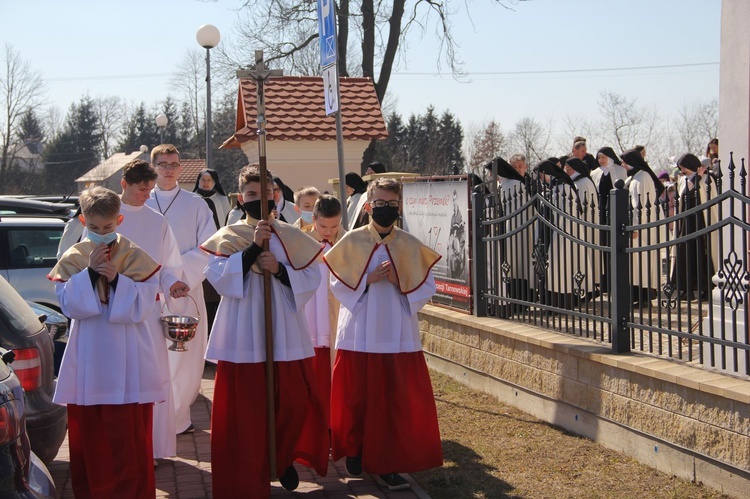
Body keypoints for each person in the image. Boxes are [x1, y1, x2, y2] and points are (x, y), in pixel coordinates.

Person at [200, 164, 328, 498]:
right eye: (252, 195)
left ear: (275, 196)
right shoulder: (227, 236)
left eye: (265, 194)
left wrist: (283, 271)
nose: (259, 200)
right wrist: (255, 249)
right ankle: (251, 471)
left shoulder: (291, 235)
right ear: (241, 198)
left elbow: (312, 277)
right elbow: (218, 278)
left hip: (285, 331)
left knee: (294, 400)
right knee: (247, 411)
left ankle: (281, 457)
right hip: (243, 332)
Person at [324, 177, 443, 491]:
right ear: (368, 205)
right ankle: (355, 451)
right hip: (359, 330)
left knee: (392, 398)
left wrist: (398, 283)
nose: (386, 209)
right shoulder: (350, 241)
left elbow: (427, 286)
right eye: (380, 204)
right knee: (356, 394)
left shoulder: (408, 243)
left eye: (392, 204)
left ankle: (388, 461)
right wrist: (368, 279)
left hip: (395, 332)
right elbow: (336, 283)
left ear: (399, 206)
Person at [48, 186, 163, 498]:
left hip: (129, 356)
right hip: (90, 355)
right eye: (94, 228)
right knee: (94, 436)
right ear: (84, 222)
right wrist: (88, 274)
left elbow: (143, 306)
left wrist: (116, 279)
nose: (101, 234)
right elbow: (69, 305)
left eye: (108, 227)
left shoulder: (135, 255)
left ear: (119, 220)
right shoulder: (73, 257)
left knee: (128, 437)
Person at [115, 159, 189, 462]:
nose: (146, 193)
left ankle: (152, 449)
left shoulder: (157, 221)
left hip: (148, 313)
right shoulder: (108, 216)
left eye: (149, 188)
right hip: (114, 313)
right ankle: (123, 447)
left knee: (152, 378)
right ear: (124, 185)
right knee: (120, 378)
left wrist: (172, 284)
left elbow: (168, 266)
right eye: (140, 188)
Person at [145, 144, 216, 435]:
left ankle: (177, 416)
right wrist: (160, 278)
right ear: (153, 168)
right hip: (150, 290)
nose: (169, 169)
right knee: (154, 356)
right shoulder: (141, 202)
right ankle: (155, 419)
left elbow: (210, 245)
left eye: (174, 164)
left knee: (185, 357)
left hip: (185, 288)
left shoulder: (196, 204)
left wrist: (180, 277)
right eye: (163, 164)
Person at [302, 194, 345, 431]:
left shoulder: (348, 241)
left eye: (335, 226)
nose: (328, 231)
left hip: (337, 311)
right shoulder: (302, 241)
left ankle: (334, 421)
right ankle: (314, 421)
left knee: (336, 367)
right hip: (311, 312)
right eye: (323, 226)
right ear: (313, 219)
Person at [670, 153, 718, 300]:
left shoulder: (706, 178)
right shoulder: (683, 180)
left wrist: (697, 177)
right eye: (681, 168)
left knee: (703, 254)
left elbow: (700, 193)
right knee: (685, 254)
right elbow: (684, 196)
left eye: (684, 168)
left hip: (701, 222)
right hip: (686, 224)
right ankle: (686, 289)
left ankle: (706, 288)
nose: (683, 171)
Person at [620, 148, 664, 305]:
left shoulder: (643, 177)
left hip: (641, 229)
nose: (622, 164)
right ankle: (637, 295)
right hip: (635, 226)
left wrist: (636, 226)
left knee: (642, 261)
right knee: (635, 263)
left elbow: (642, 205)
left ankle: (644, 295)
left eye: (624, 161)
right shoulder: (634, 177)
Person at [496, 155, 533, 316]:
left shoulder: (531, 183)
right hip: (511, 230)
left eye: (521, 166)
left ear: (525, 167)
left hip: (529, 231)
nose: (518, 169)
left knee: (525, 265)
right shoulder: (506, 184)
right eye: (515, 166)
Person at [591, 147, 628, 292]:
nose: (601, 160)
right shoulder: (595, 173)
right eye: (599, 157)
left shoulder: (620, 170)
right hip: (601, 212)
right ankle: (605, 282)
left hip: (615, 211)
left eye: (604, 157)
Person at [564, 157, 599, 301]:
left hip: (585, 226)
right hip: (582, 225)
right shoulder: (578, 181)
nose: (566, 171)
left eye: (569, 168)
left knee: (585, 259)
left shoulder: (582, 182)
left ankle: (588, 289)